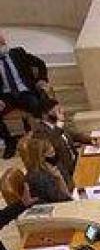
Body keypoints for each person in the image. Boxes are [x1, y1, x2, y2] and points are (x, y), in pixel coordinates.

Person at [0, 31, 51, 159]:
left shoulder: (18, 53)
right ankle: (9, 142)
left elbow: (40, 63)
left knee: (36, 105)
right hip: (7, 96)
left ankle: (45, 138)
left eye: (2, 42)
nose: (2, 44)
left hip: (24, 91)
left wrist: (42, 79)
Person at [35, 100, 87, 185]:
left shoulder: (58, 125)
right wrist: (58, 126)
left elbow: (74, 135)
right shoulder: (39, 132)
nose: (61, 113)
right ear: (45, 115)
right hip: (65, 171)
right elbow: (52, 146)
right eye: (56, 111)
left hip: (77, 161)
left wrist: (91, 140)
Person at [18, 134, 71, 204]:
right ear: (41, 158)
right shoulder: (39, 177)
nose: (54, 155)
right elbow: (65, 200)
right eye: (51, 153)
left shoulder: (50, 166)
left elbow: (69, 182)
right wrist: (59, 178)